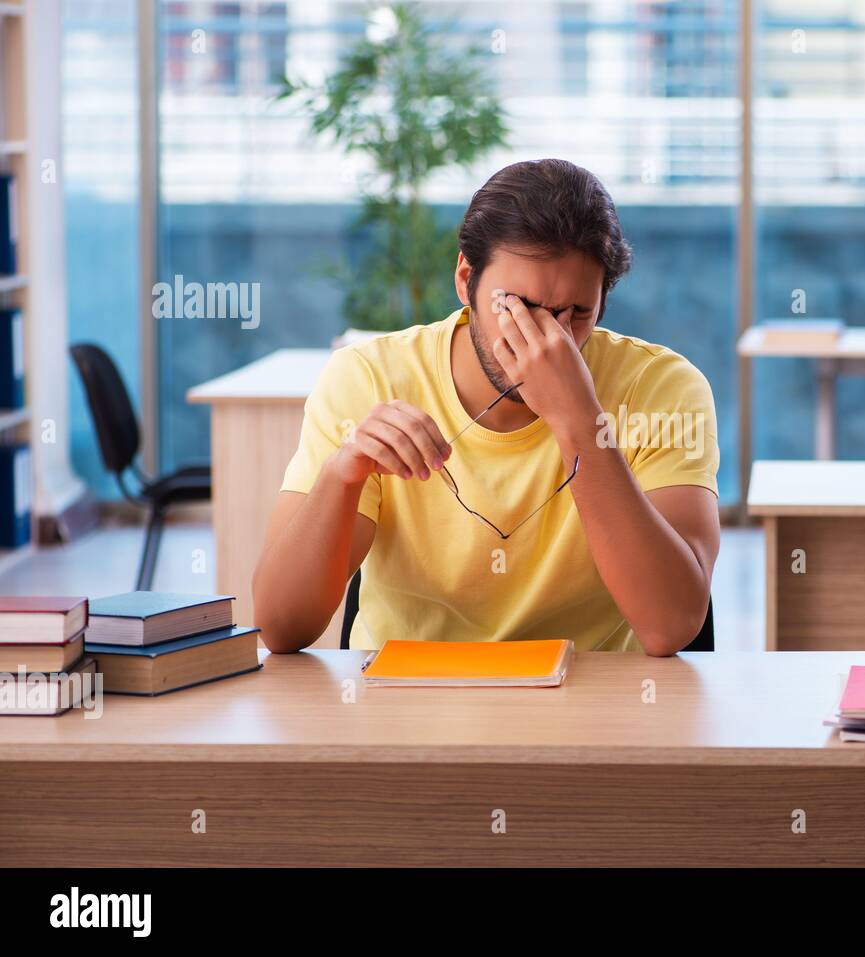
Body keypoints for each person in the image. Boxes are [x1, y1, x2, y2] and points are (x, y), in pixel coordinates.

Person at [252, 159, 720, 655]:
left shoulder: (662, 387)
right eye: (516, 306)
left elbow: (671, 625)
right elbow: (282, 628)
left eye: (577, 313)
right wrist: (341, 477)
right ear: (465, 279)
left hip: (592, 701)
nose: (547, 338)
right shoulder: (368, 378)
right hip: (406, 705)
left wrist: (579, 421)